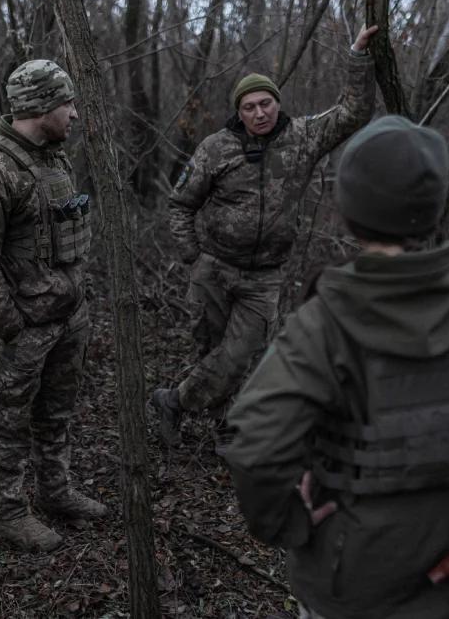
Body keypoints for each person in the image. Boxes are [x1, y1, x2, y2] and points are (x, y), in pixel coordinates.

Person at [226, 116, 449, 619]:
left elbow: (255, 448)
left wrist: (294, 527)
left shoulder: (324, 322)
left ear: (349, 210)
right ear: (433, 208)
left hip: (353, 583)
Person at [151, 25, 379, 453]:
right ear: (240, 112)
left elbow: (354, 112)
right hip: (214, 268)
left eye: (266, 103)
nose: (260, 113)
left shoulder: (304, 138)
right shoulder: (215, 149)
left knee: (238, 355)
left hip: (264, 277)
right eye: (250, 106)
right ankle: (222, 427)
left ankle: (173, 401)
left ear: (277, 103)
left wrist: (358, 58)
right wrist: (191, 256)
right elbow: (180, 204)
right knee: (213, 351)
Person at [0, 59, 106, 551]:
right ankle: (9, 512)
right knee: (9, 419)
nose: (75, 114)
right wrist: (11, 325)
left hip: (67, 316)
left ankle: (56, 491)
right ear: (42, 106)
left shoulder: (53, 158)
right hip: (26, 326)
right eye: (68, 104)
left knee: (57, 412)